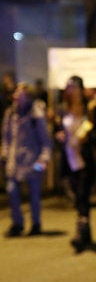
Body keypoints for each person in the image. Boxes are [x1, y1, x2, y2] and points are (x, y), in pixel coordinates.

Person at [2, 82, 53, 237]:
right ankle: (17, 223)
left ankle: (36, 223)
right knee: (11, 191)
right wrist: (4, 154)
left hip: (33, 162)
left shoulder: (35, 114)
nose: (18, 96)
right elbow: (6, 137)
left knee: (34, 194)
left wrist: (43, 160)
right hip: (14, 162)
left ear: (28, 96)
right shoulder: (10, 113)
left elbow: (45, 140)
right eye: (17, 93)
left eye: (22, 93)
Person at [54, 76, 96, 253]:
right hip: (70, 159)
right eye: (68, 87)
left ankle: (79, 234)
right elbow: (57, 131)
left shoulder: (90, 109)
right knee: (77, 196)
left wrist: (88, 137)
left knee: (82, 194)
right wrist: (59, 136)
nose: (71, 90)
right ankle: (86, 231)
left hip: (85, 159)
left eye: (74, 87)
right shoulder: (63, 110)